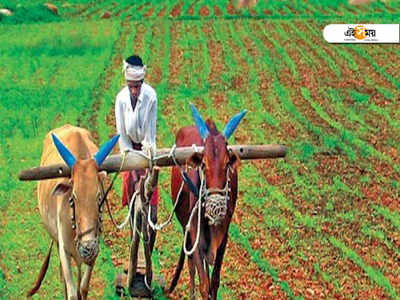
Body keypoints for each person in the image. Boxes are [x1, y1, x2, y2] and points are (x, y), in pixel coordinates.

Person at [115, 54, 159, 208]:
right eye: (131, 86)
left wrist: (146, 164)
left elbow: (150, 136)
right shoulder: (120, 99)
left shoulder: (151, 97)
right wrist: (132, 167)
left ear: (142, 82)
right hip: (129, 148)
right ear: (127, 83)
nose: (134, 91)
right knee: (130, 185)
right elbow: (122, 134)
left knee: (150, 191)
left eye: (137, 87)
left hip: (146, 149)